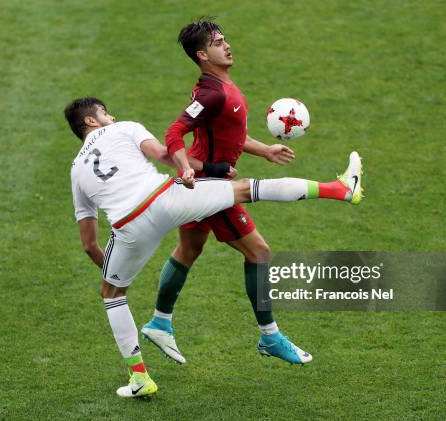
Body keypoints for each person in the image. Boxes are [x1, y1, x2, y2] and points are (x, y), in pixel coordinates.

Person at [64, 97, 362, 398]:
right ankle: (339, 189)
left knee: (112, 295)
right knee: (246, 189)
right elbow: (167, 155)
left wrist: (117, 274)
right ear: (90, 121)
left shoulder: (76, 170)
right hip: (167, 199)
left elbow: (89, 244)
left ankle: (140, 377)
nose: (111, 116)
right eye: (104, 112)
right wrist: (209, 168)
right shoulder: (125, 128)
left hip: (130, 226)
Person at [142, 19, 363, 365]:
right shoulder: (211, 93)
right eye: (217, 43)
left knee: (189, 248)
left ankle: (159, 322)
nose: (226, 45)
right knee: (259, 252)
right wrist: (186, 167)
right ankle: (270, 337)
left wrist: (265, 150)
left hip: (206, 185)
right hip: (212, 190)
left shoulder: (220, 88)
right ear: (202, 55)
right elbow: (173, 134)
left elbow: (229, 135)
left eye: (225, 39)